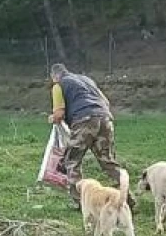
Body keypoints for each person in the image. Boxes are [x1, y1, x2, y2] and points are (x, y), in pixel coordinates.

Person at [48, 63, 135, 211]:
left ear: (54, 76)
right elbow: (106, 101)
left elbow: (59, 114)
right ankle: (127, 199)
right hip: (105, 119)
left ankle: (80, 203)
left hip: (84, 121)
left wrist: (52, 118)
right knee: (108, 161)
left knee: (72, 162)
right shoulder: (86, 80)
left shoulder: (58, 86)